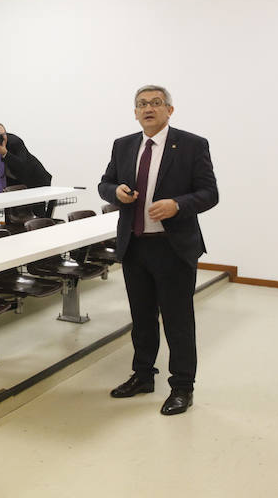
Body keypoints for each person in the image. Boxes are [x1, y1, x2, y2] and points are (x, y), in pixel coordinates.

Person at [99, 85, 218, 416]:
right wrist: (116, 192)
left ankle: (182, 387)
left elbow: (209, 193)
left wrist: (177, 205)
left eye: (155, 103)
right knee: (141, 318)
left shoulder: (192, 144)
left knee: (178, 320)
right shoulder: (123, 146)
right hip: (135, 244)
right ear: (135, 112)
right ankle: (142, 375)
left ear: (169, 110)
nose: (148, 108)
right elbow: (104, 183)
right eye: (141, 104)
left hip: (173, 247)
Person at [0, 122, 53, 216]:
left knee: (36, 216)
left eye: (3, 134)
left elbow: (22, 166)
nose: (1, 138)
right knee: (12, 214)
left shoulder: (15, 142)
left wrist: (5, 153)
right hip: (15, 183)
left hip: (35, 180)